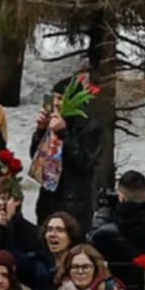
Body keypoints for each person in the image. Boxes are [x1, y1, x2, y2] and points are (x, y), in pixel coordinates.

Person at [32, 76, 102, 233]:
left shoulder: (90, 126)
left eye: (61, 98)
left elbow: (84, 163)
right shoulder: (53, 120)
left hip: (74, 202)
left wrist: (64, 133)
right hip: (49, 196)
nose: (56, 103)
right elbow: (36, 157)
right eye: (54, 97)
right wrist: (41, 131)